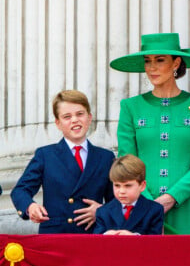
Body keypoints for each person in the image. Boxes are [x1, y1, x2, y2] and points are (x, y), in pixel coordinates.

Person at [111, 33, 190, 235]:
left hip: (184, 208)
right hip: (141, 207)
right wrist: (149, 202)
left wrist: (171, 197)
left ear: (176, 63)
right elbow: (127, 161)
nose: (152, 68)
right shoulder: (131, 107)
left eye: (160, 60)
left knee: (187, 264)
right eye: (147, 61)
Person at [11, 90, 115, 233]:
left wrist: (102, 210)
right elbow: (21, 190)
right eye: (67, 117)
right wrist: (30, 207)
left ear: (89, 118)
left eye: (80, 114)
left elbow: (119, 199)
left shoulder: (105, 157)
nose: (74, 120)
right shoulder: (45, 155)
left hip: (93, 235)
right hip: (56, 235)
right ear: (58, 123)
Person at [94, 154, 164, 235]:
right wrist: (105, 236)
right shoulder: (103, 212)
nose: (122, 191)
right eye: (117, 185)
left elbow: (155, 243)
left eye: (128, 186)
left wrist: (134, 238)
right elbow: (96, 242)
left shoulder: (154, 210)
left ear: (142, 186)